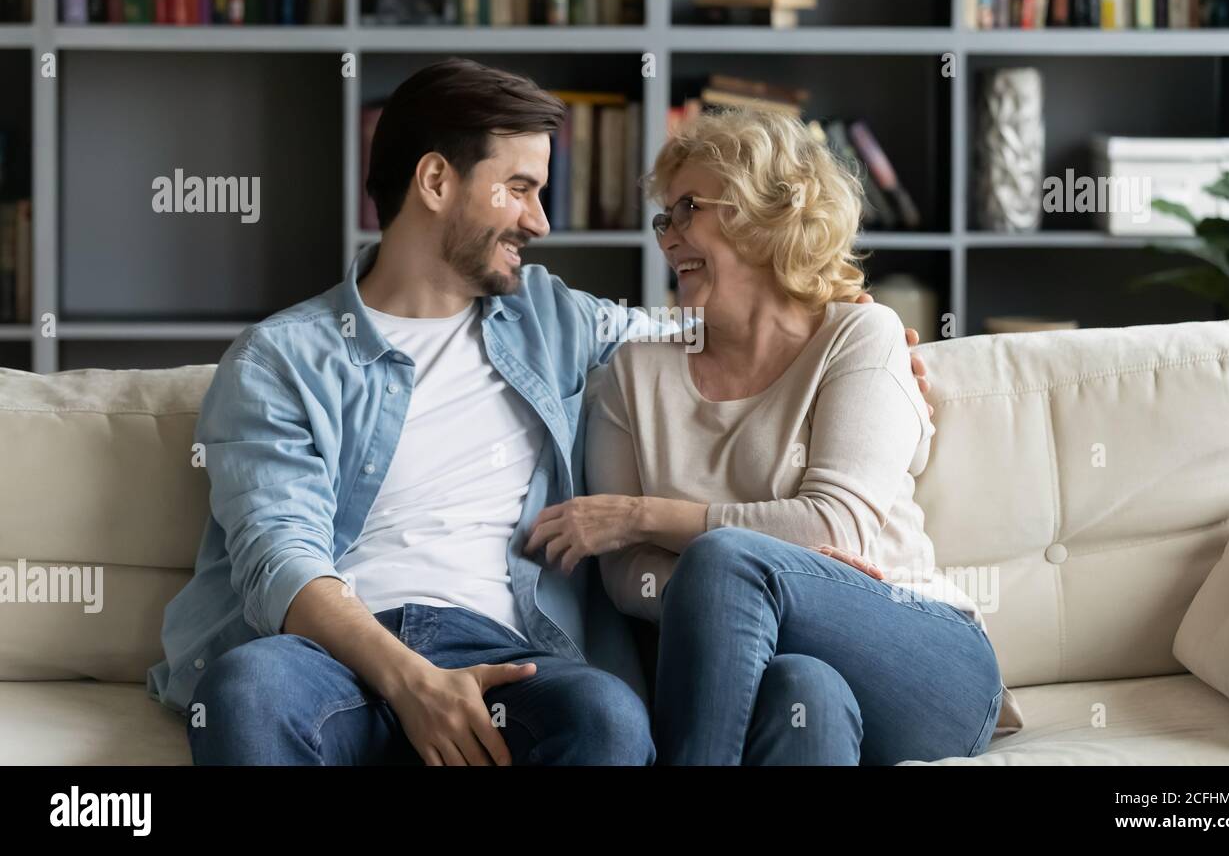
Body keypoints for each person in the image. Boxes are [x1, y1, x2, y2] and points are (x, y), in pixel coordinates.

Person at [146, 58, 932, 766]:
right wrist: (412, 682)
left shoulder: (554, 322)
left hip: (511, 655)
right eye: (519, 187)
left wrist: (838, 321)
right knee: (245, 690)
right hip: (335, 656)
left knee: (609, 717)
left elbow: (708, 331)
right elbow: (278, 561)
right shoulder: (280, 359)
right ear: (435, 182)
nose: (540, 221)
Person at [526, 108, 1025, 765]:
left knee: (726, 558)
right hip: (773, 674)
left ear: (773, 214)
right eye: (662, 218)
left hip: (918, 656)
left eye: (688, 208)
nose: (667, 237)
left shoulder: (860, 338)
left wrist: (645, 517)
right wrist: (760, 588)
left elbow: (835, 527)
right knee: (804, 691)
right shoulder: (630, 378)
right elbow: (626, 576)